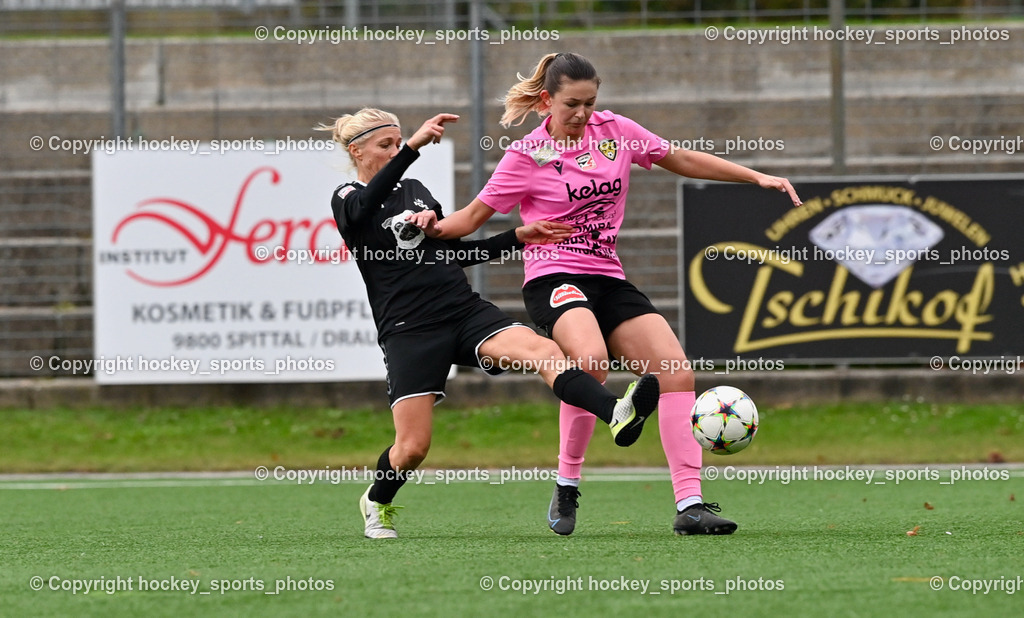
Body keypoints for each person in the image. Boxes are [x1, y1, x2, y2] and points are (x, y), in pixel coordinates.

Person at [426, 53, 802, 536]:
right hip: (554, 276)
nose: (582, 114)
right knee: (591, 360)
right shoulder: (527, 155)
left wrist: (755, 176)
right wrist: (429, 227)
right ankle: (567, 483)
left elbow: (679, 158)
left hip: (607, 276)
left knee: (675, 369)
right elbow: (472, 219)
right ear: (546, 101)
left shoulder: (616, 130)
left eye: (590, 103)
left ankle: (691, 506)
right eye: (571, 105)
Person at [322, 108, 661, 539]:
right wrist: (411, 148)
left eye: (397, 142)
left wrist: (516, 237)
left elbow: (453, 254)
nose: (394, 150)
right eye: (384, 144)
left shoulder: (417, 190)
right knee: (411, 449)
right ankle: (377, 500)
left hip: (462, 310)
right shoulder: (346, 197)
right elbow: (367, 206)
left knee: (545, 351)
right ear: (356, 150)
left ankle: (617, 411)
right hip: (410, 328)